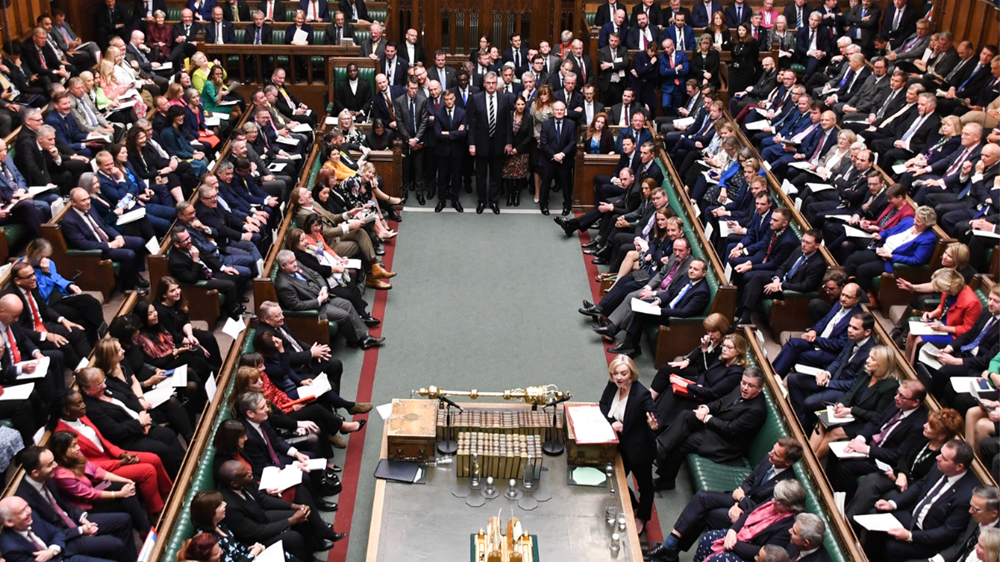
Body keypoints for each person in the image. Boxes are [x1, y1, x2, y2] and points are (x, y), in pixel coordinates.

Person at [647, 438, 804, 562]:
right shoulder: (769, 458)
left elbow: (765, 508)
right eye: (772, 449)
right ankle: (671, 543)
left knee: (707, 515)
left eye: (776, 454)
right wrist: (741, 493)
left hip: (749, 512)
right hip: (740, 498)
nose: (770, 453)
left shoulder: (786, 485)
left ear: (788, 462)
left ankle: (672, 550)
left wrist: (741, 503)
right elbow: (751, 479)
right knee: (702, 498)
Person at [654, 368, 768, 490]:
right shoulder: (741, 389)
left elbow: (730, 429)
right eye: (744, 383)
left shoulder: (757, 410)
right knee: (686, 415)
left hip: (725, 442)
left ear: (759, 388)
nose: (745, 387)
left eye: (751, 386)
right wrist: (705, 408)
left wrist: (707, 418)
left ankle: (666, 481)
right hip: (717, 425)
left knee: (685, 441)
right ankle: (661, 451)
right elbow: (722, 401)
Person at [862, 439, 978, 559]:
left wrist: (910, 536)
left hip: (930, 539)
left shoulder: (967, 495)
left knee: (892, 548)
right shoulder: (940, 465)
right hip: (913, 519)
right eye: (940, 454)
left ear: (959, 467)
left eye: (944, 458)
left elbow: (947, 533)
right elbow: (920, 485)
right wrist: (893, 504)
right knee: (874, 516)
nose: (937, 458)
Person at [844, 408, 963, 517]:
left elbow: (923, 483)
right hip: (899, 475)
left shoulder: (942, 457)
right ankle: (846, 519)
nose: (925, 426)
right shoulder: (922, 437)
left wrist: (900, 479)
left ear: (942, 435)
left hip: (910, 489)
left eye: (930, 426)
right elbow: (904, 457)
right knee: (872, 480)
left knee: (884, 501)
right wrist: (901, 473)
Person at [809, 352, 910, 460]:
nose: (867, 360)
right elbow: (852, 391)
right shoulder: (866, 371)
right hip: (851, 413)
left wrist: (851, 410)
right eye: (869, 356)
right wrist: (843, 404)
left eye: (873, 359)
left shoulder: (889, 387)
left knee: (834, 432)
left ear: (882, 364)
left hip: (864, 422)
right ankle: (805, 456)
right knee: (822, 421)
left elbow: (877, 416)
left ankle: (813, 462)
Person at [599, 355, 659, 534]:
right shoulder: (612, 387)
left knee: (645, 486)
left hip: (640, 449)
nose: (619, 377)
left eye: (623, 373)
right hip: (619, 446)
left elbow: (654, 414)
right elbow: (603, 405)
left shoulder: (641, 394)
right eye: (615, 373)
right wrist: (612, 423)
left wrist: (655, 425)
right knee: (615, 479)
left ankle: (642, 517)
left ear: (631, 374)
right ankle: (632, 505)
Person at [787, 312, 877, 429]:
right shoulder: (852, 339)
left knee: (809, 403)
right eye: (849, 326)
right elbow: (839, 359)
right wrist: (826, 373)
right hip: (832, 379)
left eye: (855, 328)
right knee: (794, 380)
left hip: (844, 392)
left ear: (867, 332)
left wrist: (829, 383)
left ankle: (803, 427)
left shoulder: (871, 354)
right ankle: (801, 422)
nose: (849, 330)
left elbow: (854, 384)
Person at [48, 432, 151, 535]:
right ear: (61, 450)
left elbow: (96, 471)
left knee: (128, 488)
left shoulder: (76, 455)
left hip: (93, 488)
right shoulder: (62, 475)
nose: (78, 448)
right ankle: (146, 530)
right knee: (125, 500)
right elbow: (90, 494)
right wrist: (120, 494)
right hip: (85, 505)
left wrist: (124, 480)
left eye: (77, 443)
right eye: (73, 446)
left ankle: (144, 529)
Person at [692, 479, 806, 562]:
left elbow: (764, 552)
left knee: (718, 560)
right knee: (707, 539)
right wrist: (732, 531)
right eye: (774, 497)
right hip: (740, 534)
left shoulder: (788, 527)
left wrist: (734, 544)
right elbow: (749, 512)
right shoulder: (774, 502)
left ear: (790, 506)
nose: (773, 501)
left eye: (778, 501)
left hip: (752, 554)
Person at [651, 332, 747, 427]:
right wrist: (699, 385)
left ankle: (658, 423)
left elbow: (713, 393)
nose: (724, 349)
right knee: (671, 388)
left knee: (674, 395)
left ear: (738, 351)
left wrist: (686, 385)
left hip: (705, 400)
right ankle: (654, 417)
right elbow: (704, 374)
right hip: (699, 390)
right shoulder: (721, 360)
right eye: (724, 345)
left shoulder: (736, 373)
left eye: (729, 347)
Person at [843, 206, 938, 293]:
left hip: (890, 261)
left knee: (862, 270)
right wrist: (880, 236)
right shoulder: (908, 221)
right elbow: (890, 231)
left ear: (927, 224)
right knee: (853, 260)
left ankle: (858, 299)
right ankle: (844, 288)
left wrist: (892, 256)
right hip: (880, 250)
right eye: (915, 219)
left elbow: (917, 260)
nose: (914, 222)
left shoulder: (928, 239)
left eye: (918, 222)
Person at [0, 495, 117, 562]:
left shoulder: (32, 516)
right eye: (22, 511)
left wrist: (52, 551)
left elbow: (57, 533)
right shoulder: (11, 548)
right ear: (9, 522)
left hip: (62, 553)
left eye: (27, 506)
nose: (29, 511)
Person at [537, 101, 577, 216]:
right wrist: (554, 156)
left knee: (566, 185)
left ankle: (567, 205)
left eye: (561, 110)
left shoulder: (571, 124)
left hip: (565, 160)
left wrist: (562, 154)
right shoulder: (546, 124)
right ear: (553, 111)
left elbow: (573, 142)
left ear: (564, 111)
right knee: (545, 184)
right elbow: (543, 143)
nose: (559, 112)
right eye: (557, 110)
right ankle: (543, 204)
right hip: (549, 159)